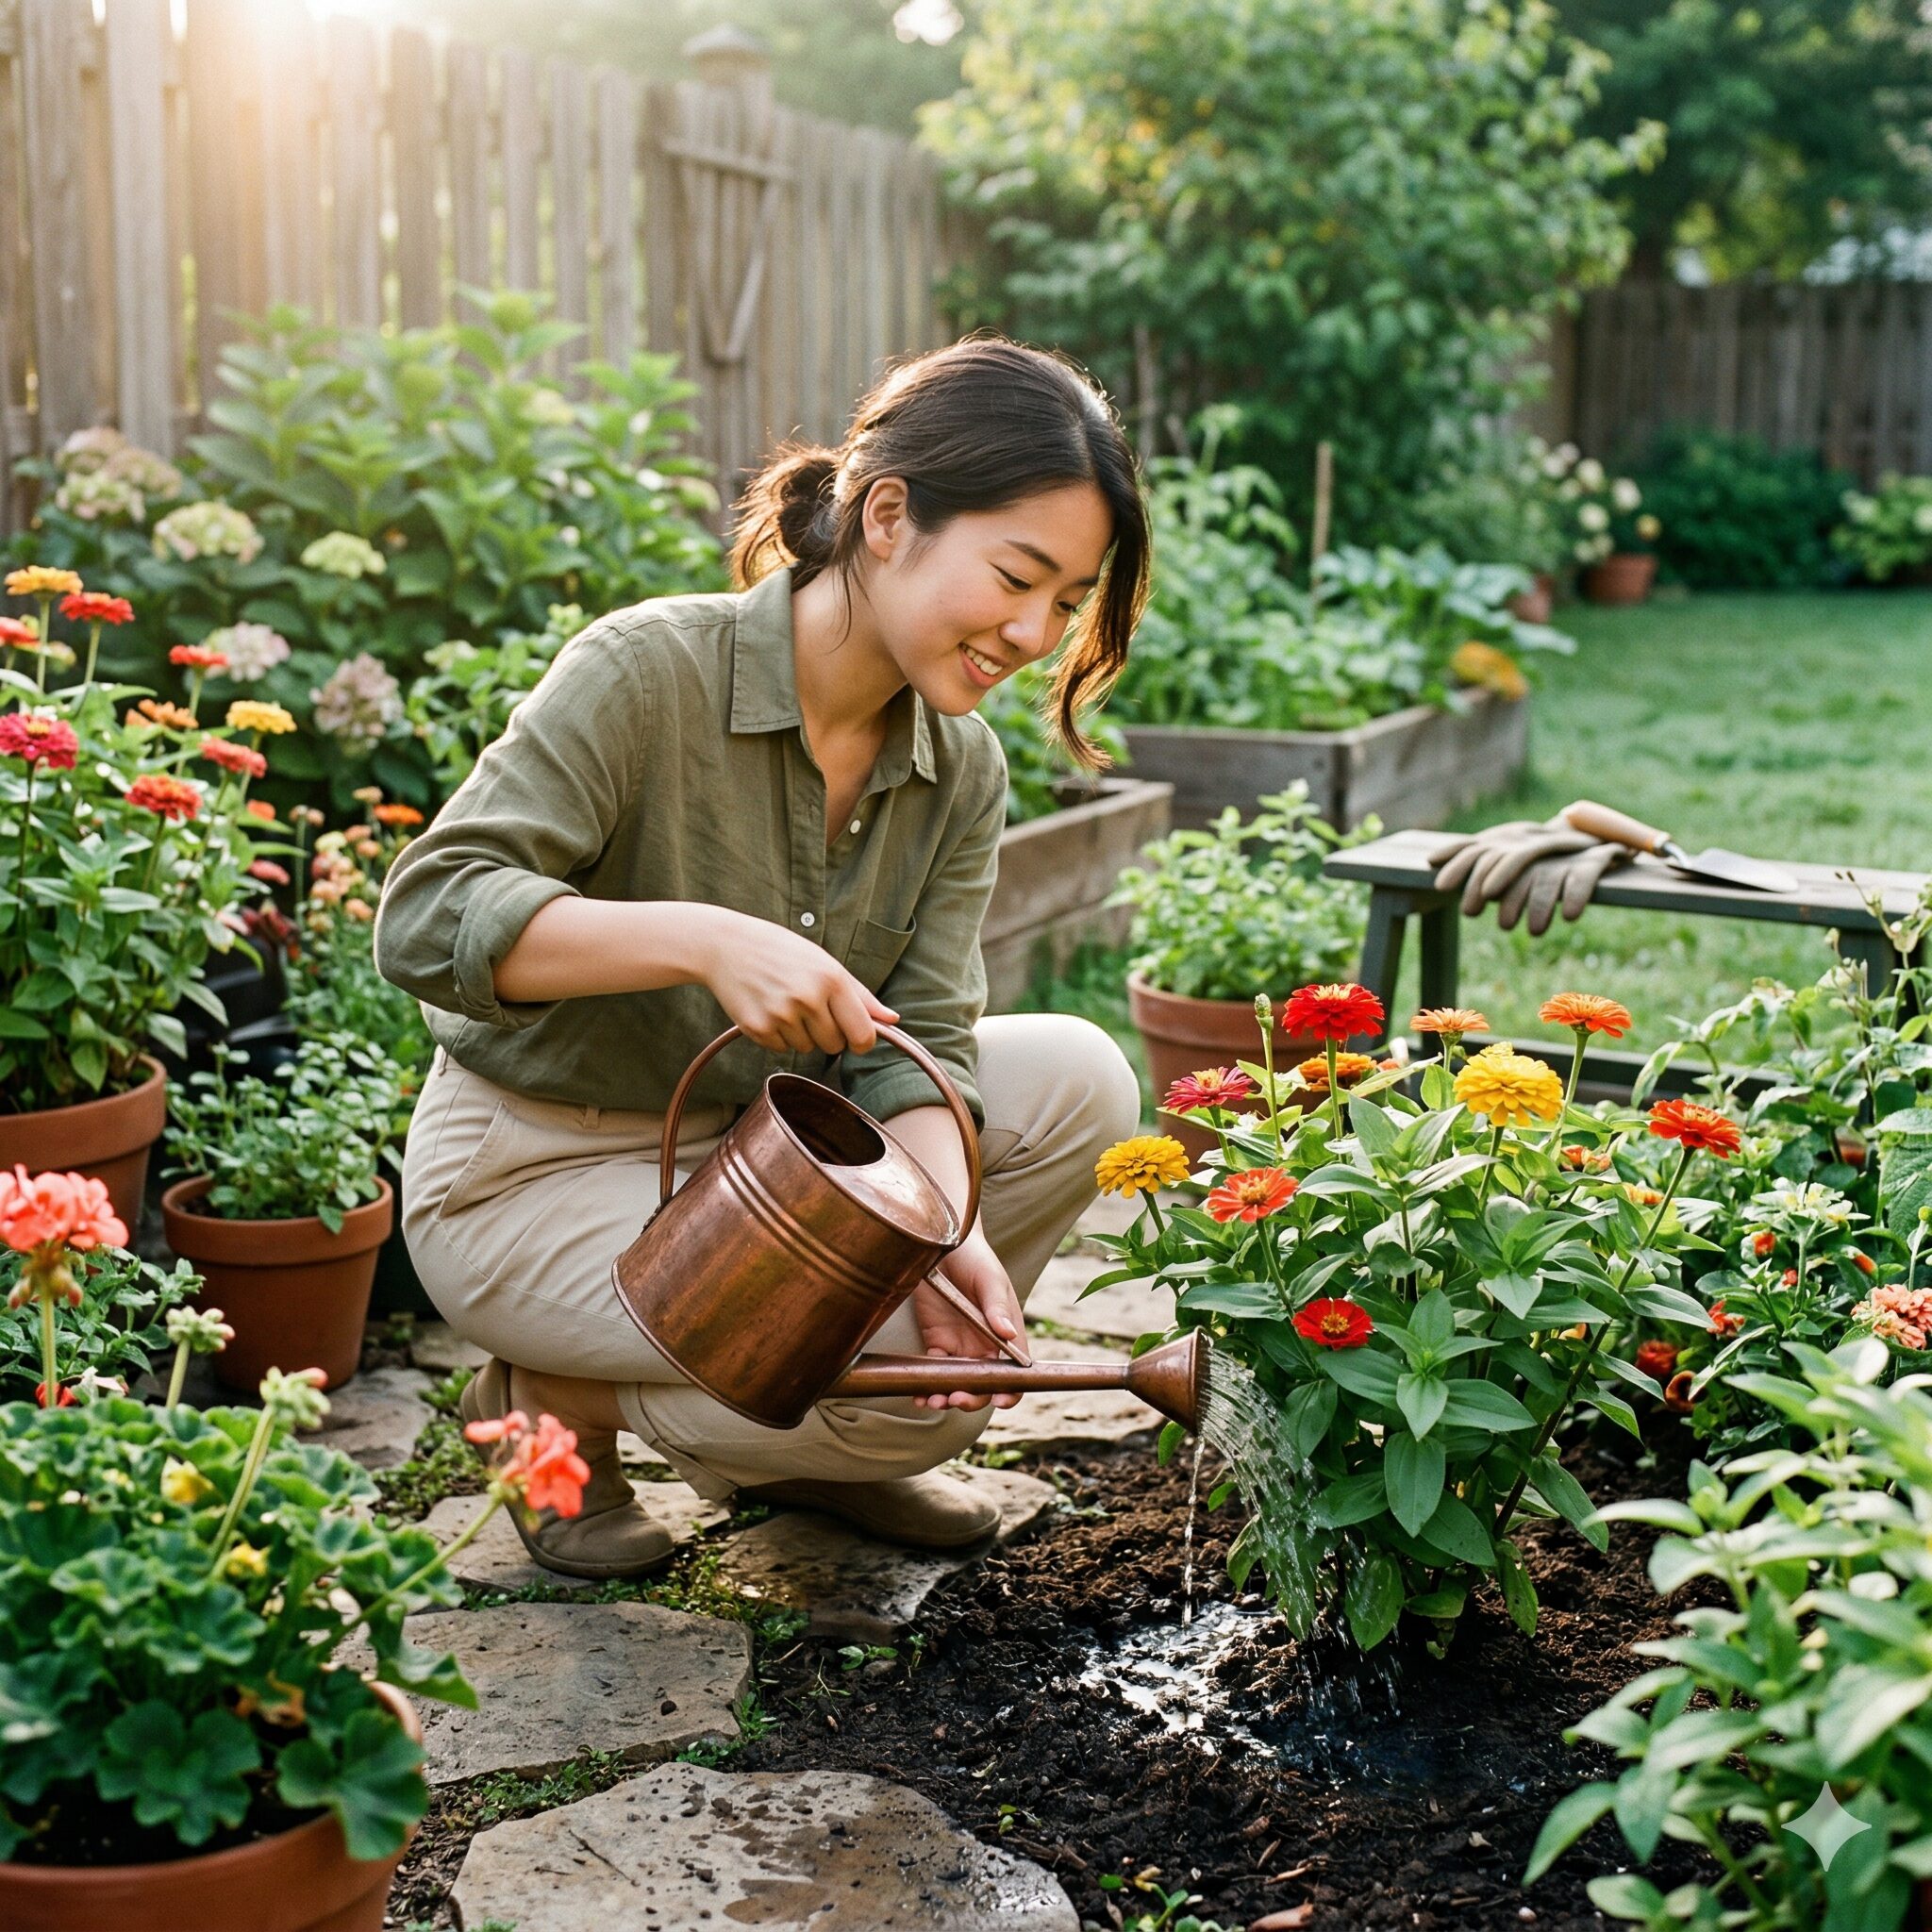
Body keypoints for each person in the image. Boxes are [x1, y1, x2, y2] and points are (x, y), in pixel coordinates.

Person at [374, 336, 1150, 1580]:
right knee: (884, 1366)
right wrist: (704, 940)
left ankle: (793, 1443)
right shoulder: (646, 674)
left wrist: (950, 1237)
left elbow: (926, 1045)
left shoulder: (962, 774)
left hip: (768, 1172)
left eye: (1067, 602)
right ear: (887, 516)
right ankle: (555, 1408)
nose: (1033, 630)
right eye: (1018, 576)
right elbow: (425, 917)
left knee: (1079, 1084)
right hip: (534, 1171)